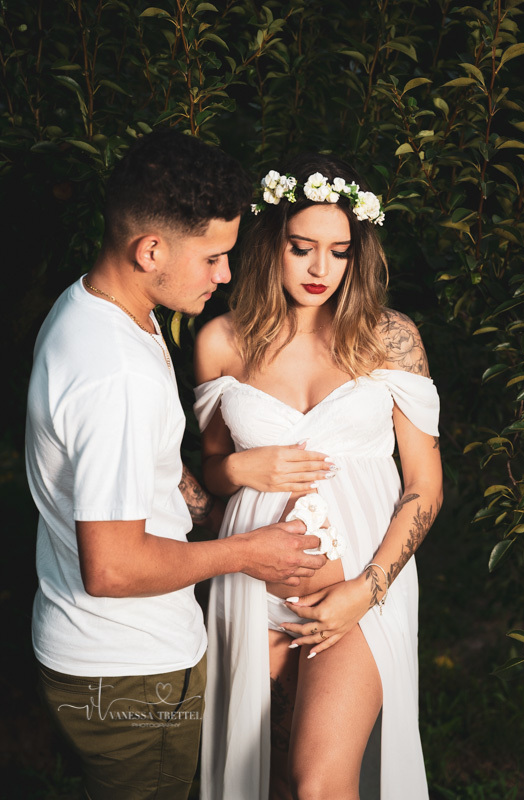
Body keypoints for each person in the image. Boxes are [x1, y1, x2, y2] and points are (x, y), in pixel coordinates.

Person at [25, 130, 331, 800]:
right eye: (214, 258)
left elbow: (155, 469)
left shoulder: (99, 311)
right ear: (150, 250)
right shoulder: (117, 376)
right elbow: (112, 568)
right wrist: (246, 551)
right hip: (129, 669)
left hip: (97, 653)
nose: (224, 276)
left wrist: (216, 507)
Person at [194, 154, 443, 800]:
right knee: (268, 784)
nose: (318, 269)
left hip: (354, 598)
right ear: (270, 244)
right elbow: (211, 480)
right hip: (250, 596)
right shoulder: (221, 341)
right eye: (301, 248)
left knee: (317, 784)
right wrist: (238, 467)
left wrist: (368, 588)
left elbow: (424, 484)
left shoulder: (390, 339)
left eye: (338, 252)